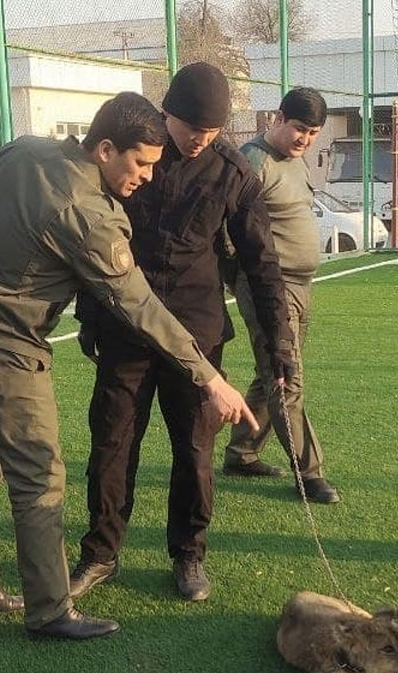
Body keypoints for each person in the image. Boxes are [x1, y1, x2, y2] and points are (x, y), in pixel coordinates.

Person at [0, 91, 258, 641]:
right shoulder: (88, 213)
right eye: (140, 163)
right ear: (105, 149)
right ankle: (50, 611)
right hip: (8, 344)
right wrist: (209, 376)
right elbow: (138, 306)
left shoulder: (24, 149)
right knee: (40, 477)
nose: (148, 178)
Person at [71, 63, 291, 603]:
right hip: (126, 326)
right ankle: (101, 553)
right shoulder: (133, 153)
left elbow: (262, 264)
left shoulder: (234, 172)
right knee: (113, 442)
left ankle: (189, 553)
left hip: (199, 334)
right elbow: (88, 240)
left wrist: (279, 344)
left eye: (212, 132)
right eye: (192, 127)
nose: (200, 140)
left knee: (194, 449)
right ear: (167, 112)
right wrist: (90, 317)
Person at [221, 87, 340, 504]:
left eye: (313, 133)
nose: (305, 139)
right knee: (286, 378)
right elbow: (225, 228)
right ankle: (310, 473)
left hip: (301, 286)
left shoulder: (296, 162)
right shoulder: (253, 160)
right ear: (277, 118)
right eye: (299, 129)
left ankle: (242, 451)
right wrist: (241, 279)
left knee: (270, 373)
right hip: (269, 289)